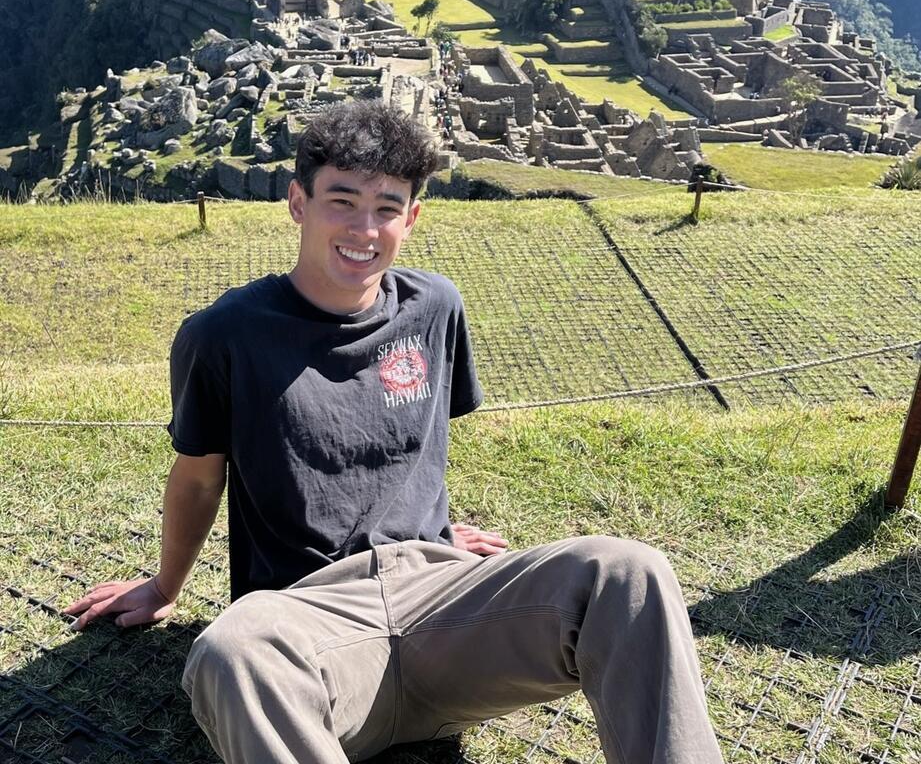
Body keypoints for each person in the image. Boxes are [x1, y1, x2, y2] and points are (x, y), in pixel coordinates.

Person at [65, 101, 723, 764]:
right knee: (232, 652)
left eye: (386, 207)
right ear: (298, 202)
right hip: (311, 623)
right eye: (341, 201)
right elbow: (200, 478)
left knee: (626, 572)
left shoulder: (435, 306)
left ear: (412, 217)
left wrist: (431, 530)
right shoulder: (223, 334)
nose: (364, 228)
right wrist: (166, 587)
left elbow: (413, 443)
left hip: (441, 608)